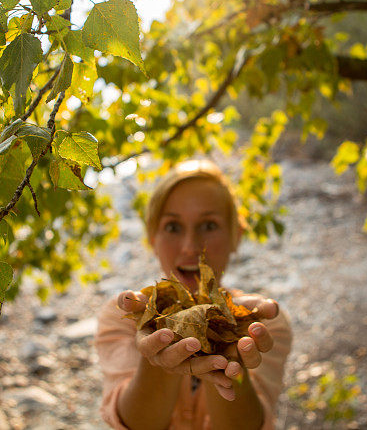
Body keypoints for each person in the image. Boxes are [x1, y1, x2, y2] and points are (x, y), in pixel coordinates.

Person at [95, 159, 292, 430]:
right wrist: (156, 352)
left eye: (209, 225)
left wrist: (228, 347)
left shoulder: (261, 325)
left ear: (237, 236)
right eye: (173, 227)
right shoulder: (123, 317)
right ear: (152, 239)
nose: (190, 247)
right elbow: (134, 423)